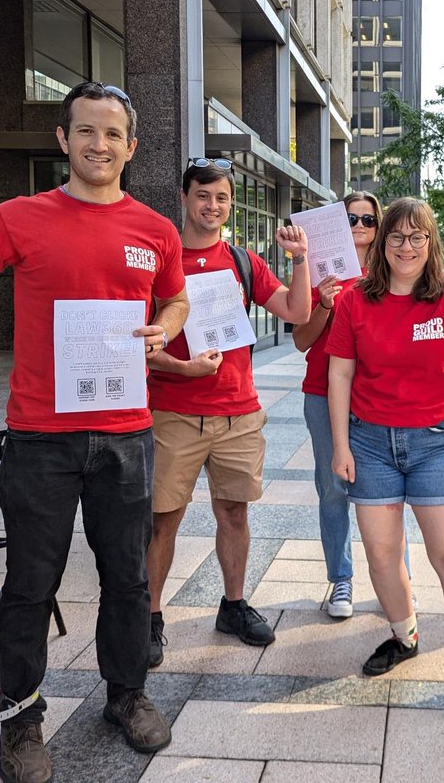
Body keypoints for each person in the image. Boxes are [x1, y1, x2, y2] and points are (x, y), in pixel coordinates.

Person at [0, 82, 188, 783]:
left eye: (113, 134)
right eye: (85, 131)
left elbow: (177, 295)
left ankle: (125, 694)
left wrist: (168, 326)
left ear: (132, 146)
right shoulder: (21, 217)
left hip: (125, 435)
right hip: (40, 437)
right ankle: (22, 720)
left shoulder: (155, 230)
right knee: (33, 583)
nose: (99, 145)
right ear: (64, 140)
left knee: (127, 578)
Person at [325, 197, 444, 739]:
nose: (405, 246)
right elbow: (338, 375)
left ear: (432, 244)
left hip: (438, 443)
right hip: (369, 443)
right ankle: (405, 635)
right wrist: (340, 447)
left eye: (417, 237)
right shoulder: (355, 302)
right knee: (383, 556)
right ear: (382, 244)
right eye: (396, 236)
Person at [144, 158, 311, 665]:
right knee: (163, 520)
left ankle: (233, 605)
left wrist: (300, 261)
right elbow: (139, 347)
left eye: (221, 198)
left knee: (233, 512)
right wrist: (182, 368)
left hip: (239, 411)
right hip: (174, 411)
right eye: (203, 196)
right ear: (184, 197)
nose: (212, 206)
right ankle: (149, 617)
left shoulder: (241, 261)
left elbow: (297, 313)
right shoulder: (159, 261)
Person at [292, 191, 384, 617]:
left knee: (384, 493)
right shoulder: (319, 273)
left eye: (368, 219)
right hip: (321, 393)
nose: (360, 227)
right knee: (333, 490)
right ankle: (341, 580)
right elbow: (300, 341)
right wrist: (324, 305)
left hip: (375, 397)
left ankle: (393, 583)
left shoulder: (389, 272)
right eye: (351, 219)